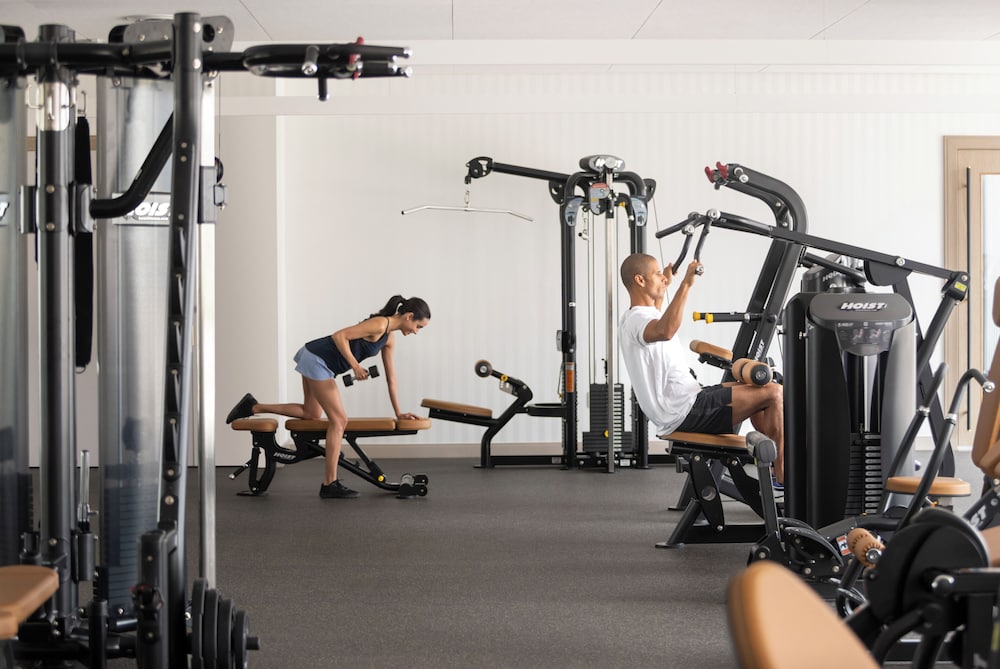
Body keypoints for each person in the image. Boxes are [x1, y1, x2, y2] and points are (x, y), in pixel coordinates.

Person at [226, 295, 431, 498]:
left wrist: (399, 413)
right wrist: (355, 366)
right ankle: (329, 483)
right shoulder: (379, 324)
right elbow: (339, 336)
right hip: (318, 359)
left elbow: (391, 378)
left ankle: (253, 406)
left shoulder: (389, 338)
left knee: (311, 413)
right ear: (409, 316)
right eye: (418, 326)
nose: (416, 331)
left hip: (316, 357)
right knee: (339, 420)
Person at [618, 253, 786, 483]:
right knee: (774, 393)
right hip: (685, 410)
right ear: (640, 280)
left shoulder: (639, 315)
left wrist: (666, 280)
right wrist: (687, 283)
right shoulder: (637, 320)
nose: (662, 278)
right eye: (656, 274)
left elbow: (657, 310)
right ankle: (783, 476)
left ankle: (775, 467)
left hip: (687, 402)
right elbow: (666, 330)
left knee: (758, 388)